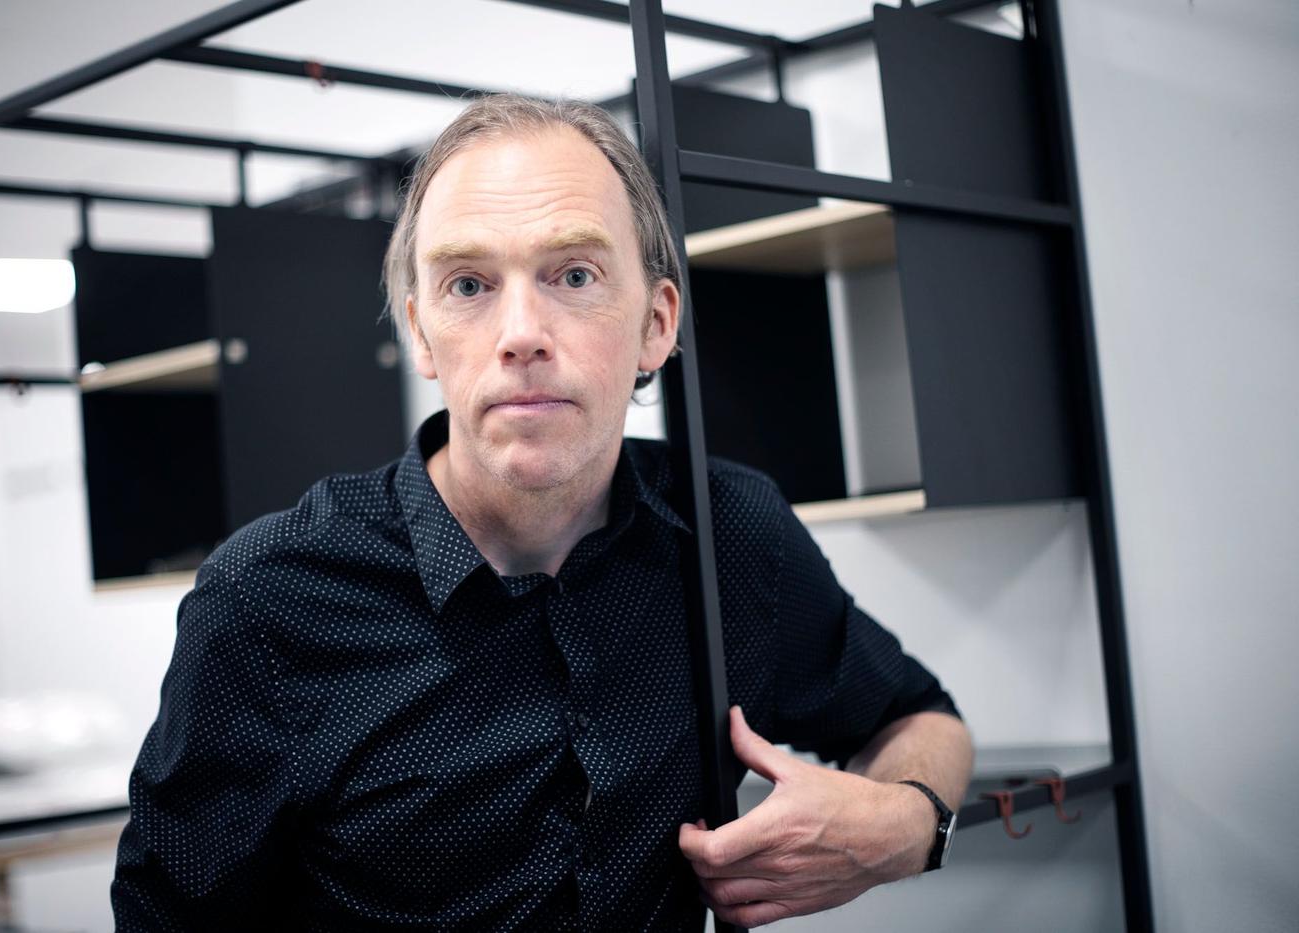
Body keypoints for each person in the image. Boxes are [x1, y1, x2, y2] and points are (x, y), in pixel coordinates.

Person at [110, 93, 973, 931]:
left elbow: (918, 716)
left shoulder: (728, 530)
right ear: (419, 333)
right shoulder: (267, 603)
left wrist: (905, 827)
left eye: (574, 274)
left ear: (656, 325)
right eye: (469, 283)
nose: (521, 331)